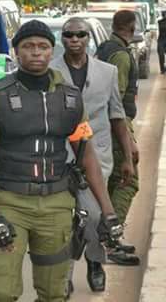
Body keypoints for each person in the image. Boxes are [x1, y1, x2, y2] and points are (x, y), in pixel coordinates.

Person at [0, 20, 123, 302]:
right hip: (10, 203)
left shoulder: (70, 98)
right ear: (17, 52)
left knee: (55, 292)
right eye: (28, 47)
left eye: (43, 46)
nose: (36, 52)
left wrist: (108, 212)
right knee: (3, 291)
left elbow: (87, 155)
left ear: (50, 50)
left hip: (56, 206)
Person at [51, 17, 137, 293]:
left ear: (89, 39)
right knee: (64, 219)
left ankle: (94, 262)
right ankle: (64, 275)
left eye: (81, 35)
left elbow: (117, 115)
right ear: (62, 39)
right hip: (57, 156)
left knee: (94, 215)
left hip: (96, 155)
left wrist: (126, 155)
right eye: (69, 35)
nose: (75, 40)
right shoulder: (50, 71)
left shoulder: (108, 71)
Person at [95, 10, 142, 263]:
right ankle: (110, 241)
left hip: (104, 127)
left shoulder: (105, 48)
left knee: (113, 184)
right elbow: (116, 103)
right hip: (115, 127)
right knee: (128, 181)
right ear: (131, 29)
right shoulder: (121, 56)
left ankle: (106, 240)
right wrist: (128, 142)